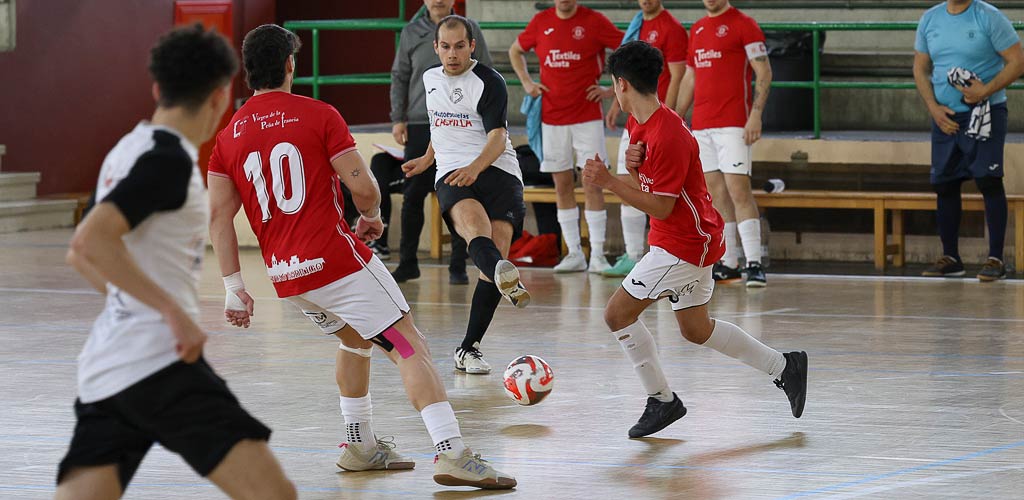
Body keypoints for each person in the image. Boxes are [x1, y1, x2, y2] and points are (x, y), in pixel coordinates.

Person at [207, 24, 515, 489]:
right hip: (337, 262)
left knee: (355, 340)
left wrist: (234, 289)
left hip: (288, 277)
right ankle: (451, 453)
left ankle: (359, 445)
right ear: (291, 65)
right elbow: (363, 187)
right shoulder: (318, 114)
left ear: (248, 73)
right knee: (411, 345)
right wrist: (371, 215)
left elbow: (218, 219)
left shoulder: (227, 137)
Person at [57, 24, 296, 500]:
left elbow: (83, 256)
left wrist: (137, 303)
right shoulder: (166, 160)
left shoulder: (127, 148)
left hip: (108, 369)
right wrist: (168, 312)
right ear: (219, 96)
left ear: (156, 88)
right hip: (160, 368)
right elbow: (89, 244)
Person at [582, 40, 807, 439]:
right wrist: (631, 173)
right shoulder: (639, 123)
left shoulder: (668, 133)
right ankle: (784, 367)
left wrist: (610, 181)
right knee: (695, 328)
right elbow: (649, 190)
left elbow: (662, 208)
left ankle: (662, 400)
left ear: (620, 85)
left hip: (682, 242)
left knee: (617, 315)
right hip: (682, 238)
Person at [403, 16, 532, 375]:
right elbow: (438, 123)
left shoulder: (489, 82)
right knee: (477, 231)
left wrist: (476, 167)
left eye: (459, 46)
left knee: (498, 244)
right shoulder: (430, 79)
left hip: (498, 169)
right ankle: (505, 280)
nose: (452, 53)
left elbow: (496, 137)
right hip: (452, 172)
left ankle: (468, 347)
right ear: (436, 48)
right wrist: (428, 158)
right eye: (445, 47)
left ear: (471, 46)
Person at [380, 0, 492, 284]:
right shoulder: (411, 32)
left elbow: (487, 73)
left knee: (460, 191)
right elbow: (400, 75)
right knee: (413, 193)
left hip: (462, 123)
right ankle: (408, 262)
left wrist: (482, 120)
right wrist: (398, 118)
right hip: (420, 122)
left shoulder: (471, 28)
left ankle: (458, 265)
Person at [913, 0, 1024, 281]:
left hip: (985, 113)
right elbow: (920, 67)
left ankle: (995, 259)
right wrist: (933, 108)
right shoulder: (930, 19)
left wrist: (985, 90)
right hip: (945, 117)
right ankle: (951, 257)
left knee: (988, 180)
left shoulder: (989, 17)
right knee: (944, 183)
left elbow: (1017, 61)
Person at [510, 0, 623, 273]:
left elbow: (629, 51)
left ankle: (597, 254)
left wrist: (611, 90)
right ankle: (573, 253)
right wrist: (526, 82)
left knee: (593, 183)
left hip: (587, 118)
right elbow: (516, 50)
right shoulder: (541, 22)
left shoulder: (594, 21)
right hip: (552, 118)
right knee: (562, 184)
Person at [676, 0, 772, 287]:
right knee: (715, 193)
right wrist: (677, 117)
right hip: (703, 125)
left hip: (733, 122)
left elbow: (764, 72)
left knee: (738, 189)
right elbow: (690, 77)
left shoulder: (744, 24)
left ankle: (754, 262)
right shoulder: (698, 29)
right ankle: (729, 261)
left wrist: (755, 115)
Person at [603, 0, 688, 277]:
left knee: (657, 189)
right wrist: (620, 103)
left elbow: (677, 76)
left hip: (655, 118)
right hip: (638, 118)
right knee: (633, 176)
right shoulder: (637, 23)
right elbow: (624, 77)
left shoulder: (671, 28)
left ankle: (655, 252)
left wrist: (668, 117)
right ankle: (633, 254)